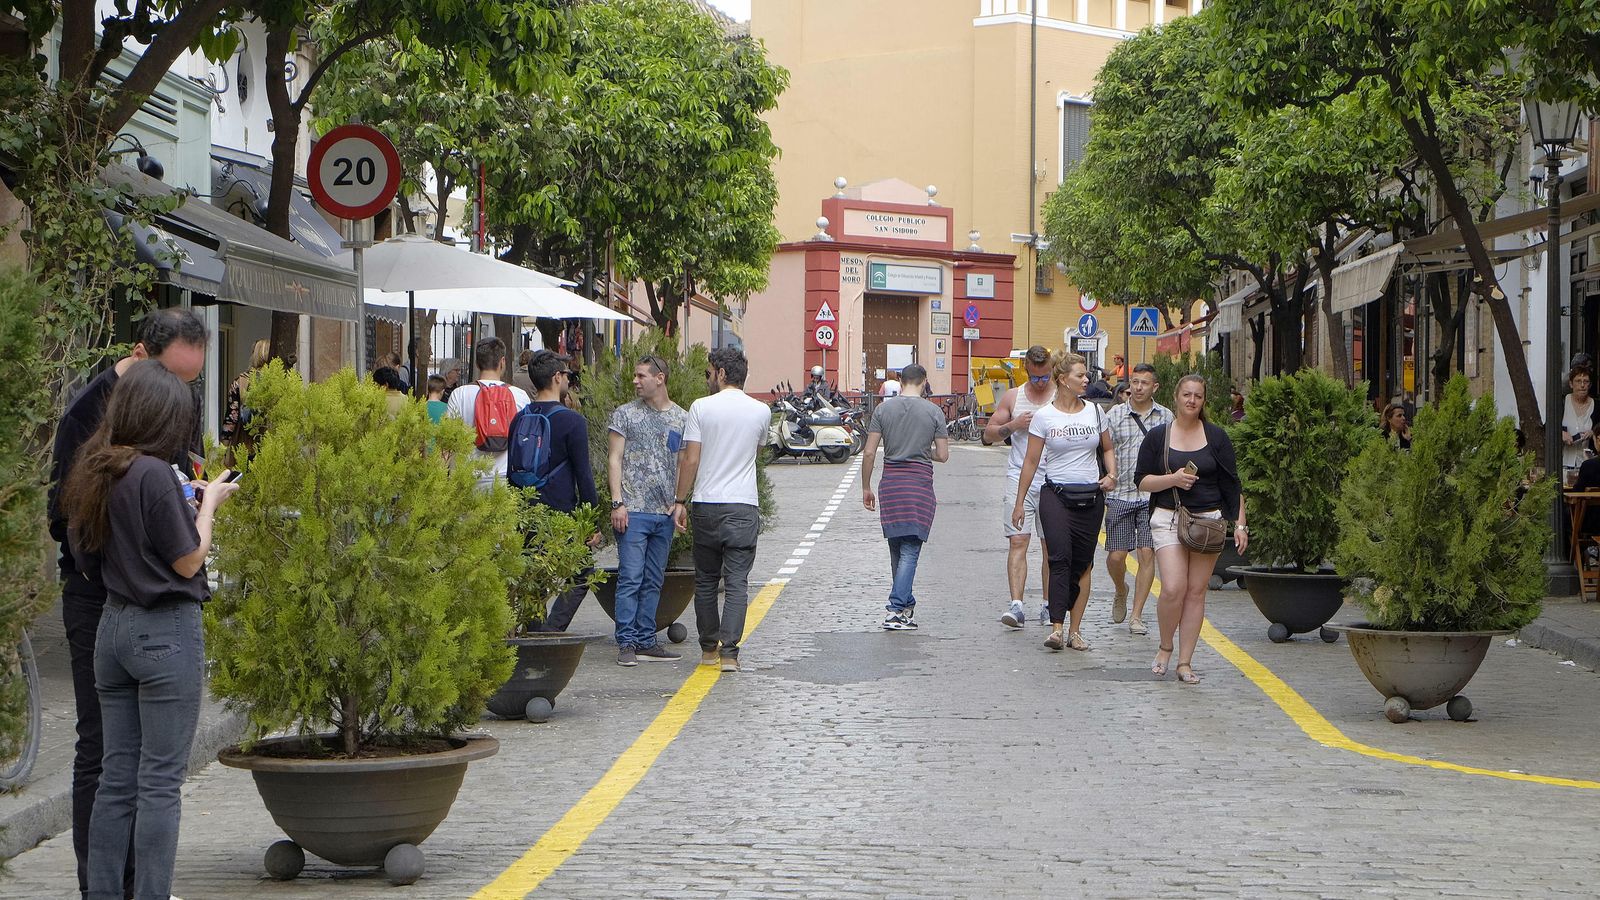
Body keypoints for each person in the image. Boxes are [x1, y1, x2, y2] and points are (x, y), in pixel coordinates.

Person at [62, 360, 240, 900]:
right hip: (164, 631)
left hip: (111, 626)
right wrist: (207, 505)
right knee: (160, 783)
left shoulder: (94, 467)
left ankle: (103, 892)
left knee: (116, 780)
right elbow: (188, 561)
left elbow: (85, 551)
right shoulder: (155, 473)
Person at [47, 307, 208, 900]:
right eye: (173, 381)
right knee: (112, 758)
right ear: (141, 359)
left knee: (127, 770)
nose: (180, 400)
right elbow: (66, 521)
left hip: (122, 602)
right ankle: (108, 886)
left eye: (189, 385)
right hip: (111, 602)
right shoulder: (88, 416)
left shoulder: (157, 422)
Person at [1135, 373, 1248, 685]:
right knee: (1173, 587)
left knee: (1196, 592)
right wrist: (1173, 479)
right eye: (1187, 394)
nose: (1192, 401)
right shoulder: (1159, 437)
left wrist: (1240, 524)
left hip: (1208, 521)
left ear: (1203, 401)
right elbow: (1142, 480)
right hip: (1167, 518)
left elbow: (1232, 484)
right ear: (1176, 396)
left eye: (1198, 396)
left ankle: (1185, 662)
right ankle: (1165, 647)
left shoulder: (1217, 437)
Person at [672, 347, 770, 673]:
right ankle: (730, 654)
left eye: (709, 372)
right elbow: (756, 452)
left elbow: (691, 458)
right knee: (738, 582)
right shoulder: (760, 411)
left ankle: (707, 650)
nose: (707, 378)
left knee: (706, 581)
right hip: (743, 504)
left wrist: (680, 500)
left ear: (722, 374)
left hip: (706, 503)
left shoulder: (701, 407)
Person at [1012, 350, 1116, 652]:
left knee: (1084, 565)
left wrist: (1112, 473)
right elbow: (1031, 461)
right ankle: (1056, 627)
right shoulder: (1045, 416)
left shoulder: (1095, 413)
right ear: (1063, 380)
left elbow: (1107, 448)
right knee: (1059, 559)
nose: (1086, 379)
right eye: (1080, 375)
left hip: (1090, 497)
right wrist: (1020, 502)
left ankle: (1075, 631)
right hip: (1055, 495)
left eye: (1086, 375)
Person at [607, 354, 687, 665]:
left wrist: (680, 501)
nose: (635, 381)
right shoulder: (625, 415)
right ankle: (626, 641)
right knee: (630, 577)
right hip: (633, 508)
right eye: (635, 376)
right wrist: (618, 502)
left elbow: (682, 461)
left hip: (663, 511)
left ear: (660, 378)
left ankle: (645, 638)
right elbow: (614, 459)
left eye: (641, 376)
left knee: (653, 578)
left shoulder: (681, 418)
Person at [515, 350, 602, 632]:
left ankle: (535, 628)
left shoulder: (519, 418)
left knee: (534, 576)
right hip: (561, 513)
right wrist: (591, 521)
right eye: (567, 375)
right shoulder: (572, 421)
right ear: (556, 377)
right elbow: (584, 476)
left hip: (527, 511)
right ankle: (552, 630)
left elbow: (511, 471)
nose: (568, 379)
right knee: (582, 572)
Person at [860, 364, 950, 630]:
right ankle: (896, 610)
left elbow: (868, 453)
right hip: (919, 484)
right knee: (911, 547)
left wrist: (866, 487)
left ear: (900, 381)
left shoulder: (882, 410)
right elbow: (943, 455)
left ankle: (906, 602)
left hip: (890, 484)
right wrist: (923, 451)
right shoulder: (934, 412)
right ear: (924, 381)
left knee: (897, 547)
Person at [983, 345, 1054, 629]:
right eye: (1036, 377)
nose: (1041, 382)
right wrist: (1013, 425)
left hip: (1053, 480)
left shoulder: (1061, 397)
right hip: (1018, 478)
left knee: (1050, 546)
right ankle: (1017, 605)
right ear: (1027, 371)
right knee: (1018, 540)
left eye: (1046, 376)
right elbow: (988, 434)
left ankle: (1049, 605)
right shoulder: (1014, 397)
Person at [1104, 363, 1173, 636]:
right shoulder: (1115, 415)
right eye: (1135, 382)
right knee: (1116, 556)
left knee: (1146, 553)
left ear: (1155, 387)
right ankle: (1121, 589)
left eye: (1145, 383)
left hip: (1152, 495)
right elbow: (1104, 449)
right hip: (1120, 493)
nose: (1139, 387)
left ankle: (1136, 615)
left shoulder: (1166, 417)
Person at [445, 336, 531, 489]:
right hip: (504, 479)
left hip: (467, 478)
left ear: (477, 363)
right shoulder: (520, 396)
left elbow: (449, 440)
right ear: (502, 362)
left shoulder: (459, 394)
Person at [220, 338, 270, 464]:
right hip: (271, 445)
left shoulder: (240, 382)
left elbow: (231, 418)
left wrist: (223, 447)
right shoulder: (278, 383)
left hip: (244, 445)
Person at [1562, 366, 1594, 470]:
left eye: (1586, 381)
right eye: (1578, 381)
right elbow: (1548, 426)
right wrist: (1561, 433)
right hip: (1564, 461)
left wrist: (1593, 433)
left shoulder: (1596, 406)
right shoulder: (1562, 403)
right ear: (1571, 384)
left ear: (1589, 385)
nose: (1582, 385)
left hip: (1587, 465)